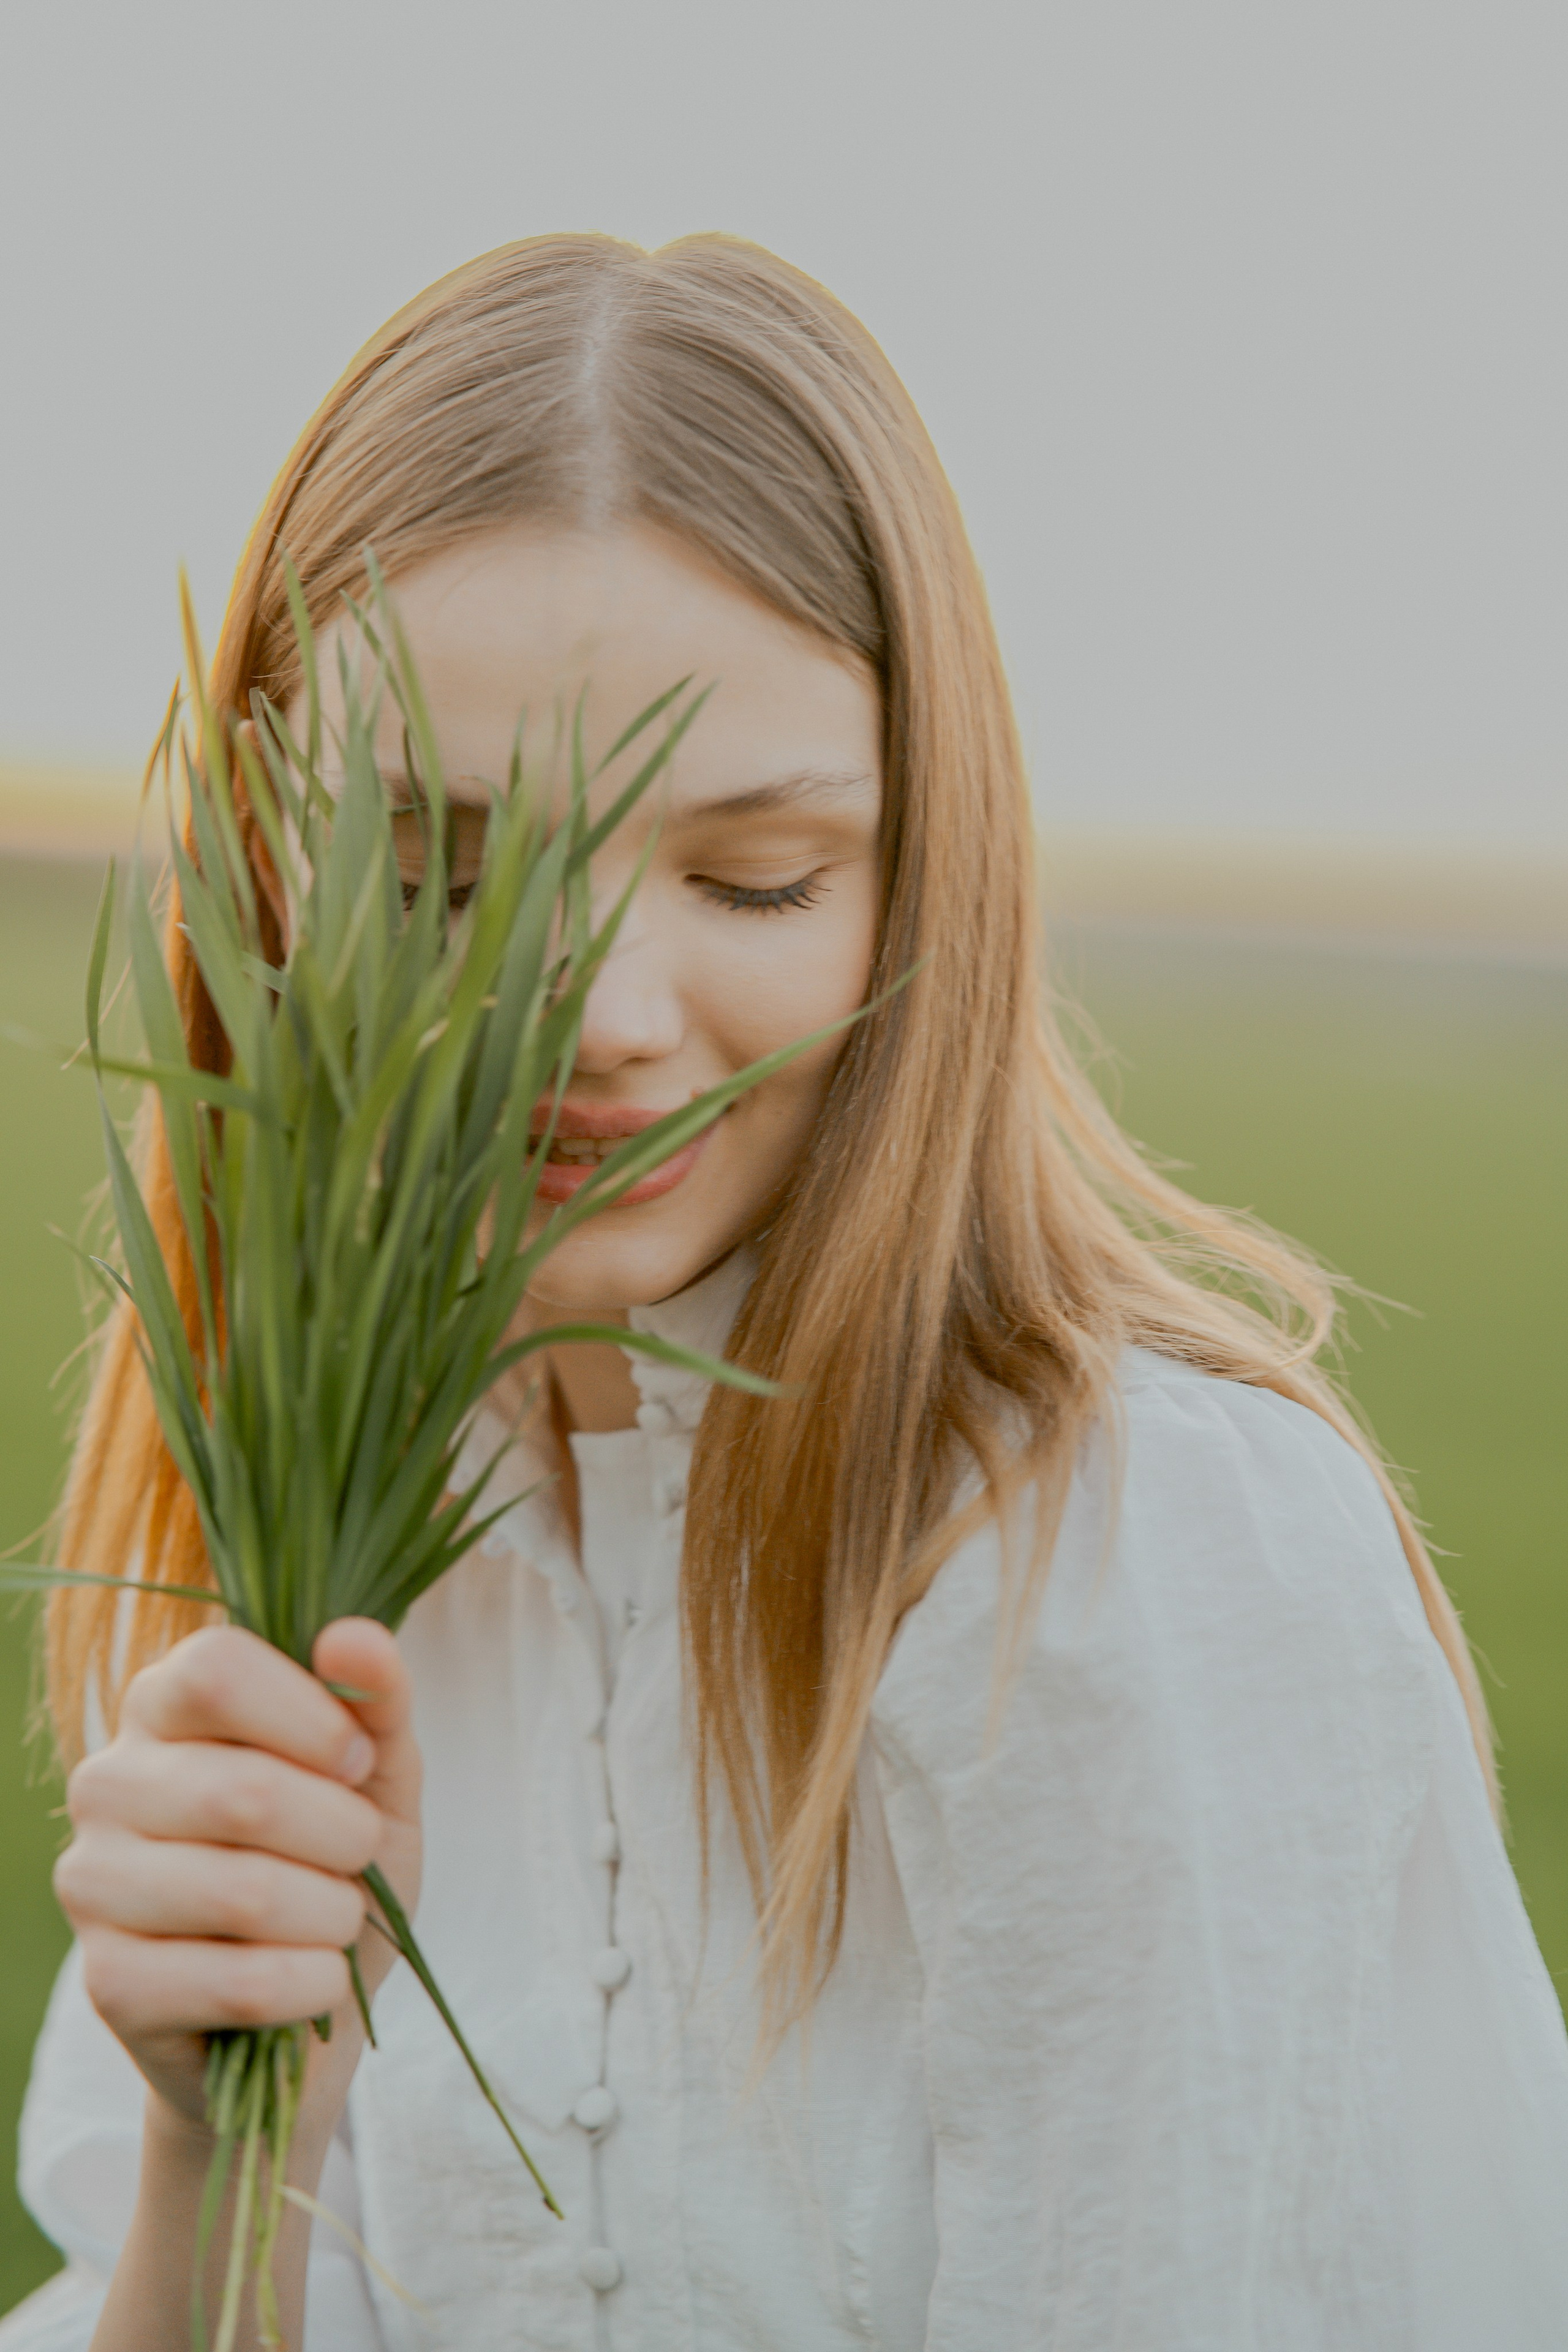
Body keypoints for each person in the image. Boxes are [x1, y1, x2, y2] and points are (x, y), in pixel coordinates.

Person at [5, 234, 1567, 2352]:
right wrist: (219, 2142)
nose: (601, 1013)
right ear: (269, 881)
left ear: (925, 876)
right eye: (445, 879)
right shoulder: (307, 1562)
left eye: (756, 876)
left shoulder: (1129, 1575)